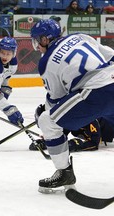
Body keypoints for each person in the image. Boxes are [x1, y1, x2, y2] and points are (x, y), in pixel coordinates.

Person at [30, 19, 114, 194]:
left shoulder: (46, 62)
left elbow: (57, 99)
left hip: (96, 93)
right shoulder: (79, 36)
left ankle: (64, 173)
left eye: (37, 40)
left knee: (48, 120)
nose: (36, 46)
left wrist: (44, 114)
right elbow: (110, 55)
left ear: (46, 39)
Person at [29, 119, 102, 152]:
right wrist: (49, 140)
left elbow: (94, 144)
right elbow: (63, 132)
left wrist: (76, 144)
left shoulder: (92, 121)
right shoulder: (72, 116)